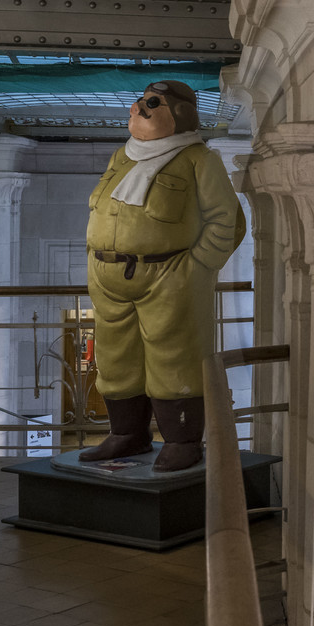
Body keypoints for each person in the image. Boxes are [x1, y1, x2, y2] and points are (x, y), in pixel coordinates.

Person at [81, 80, 246, 472]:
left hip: (169, 276)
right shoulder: (123, 156)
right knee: (116, 357)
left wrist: (195, 267)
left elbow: (228, 220)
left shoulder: (199, 160)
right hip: (108, 277)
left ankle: (183, 441)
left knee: (176, 359)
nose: (139, 108)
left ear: (182, 114)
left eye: (153, 103)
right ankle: (127, 435)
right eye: (139, 101)